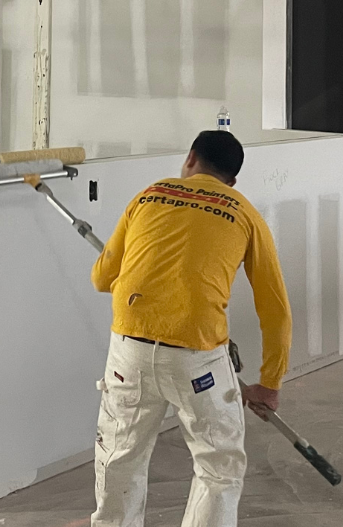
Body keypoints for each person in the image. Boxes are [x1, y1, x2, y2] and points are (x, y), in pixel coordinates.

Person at [90, 130, 291, 527]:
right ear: (232, 180)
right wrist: (270, 383)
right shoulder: (245, 213)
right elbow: (276, 309)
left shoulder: (149, 196)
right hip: (198, 360)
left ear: (190, 159)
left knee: (119, 458)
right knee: (218, 467)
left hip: (129, 352)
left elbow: (101, 279)